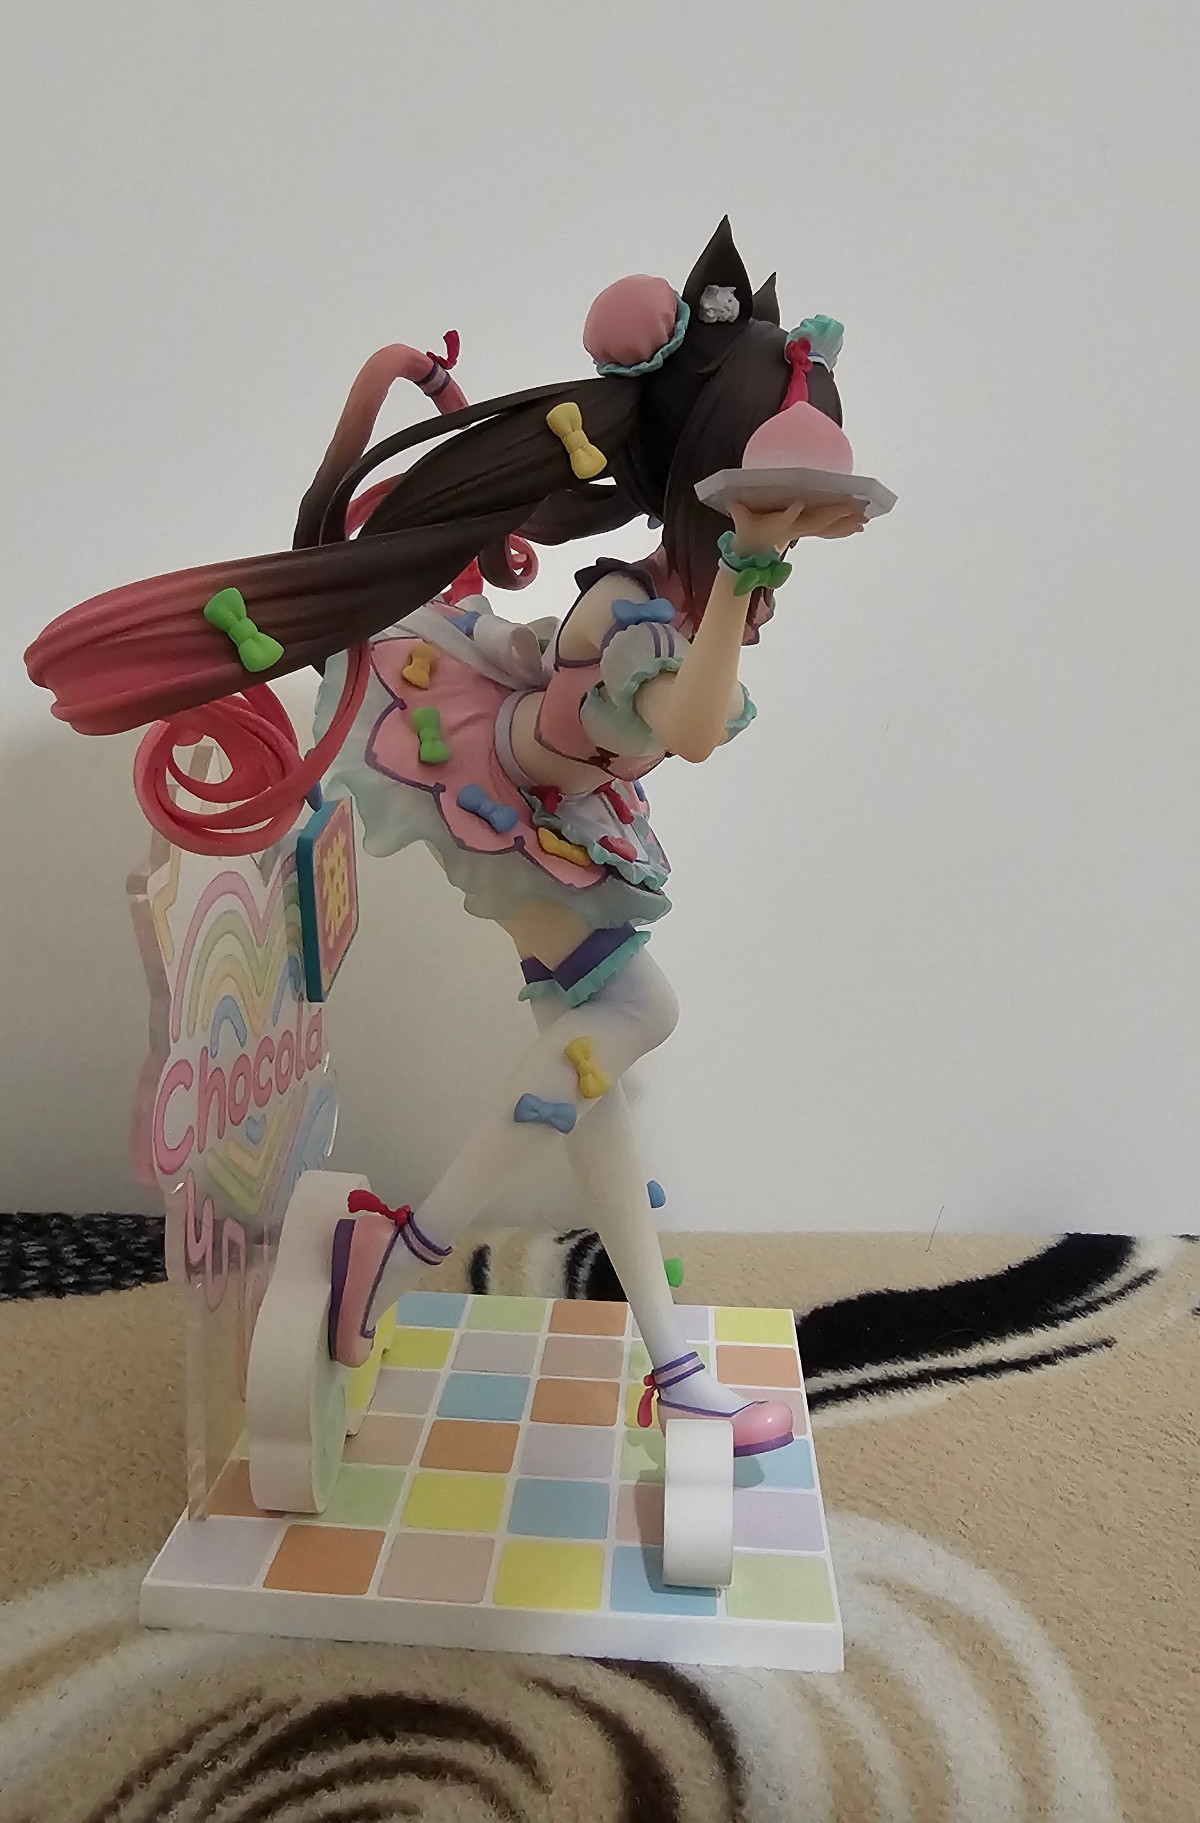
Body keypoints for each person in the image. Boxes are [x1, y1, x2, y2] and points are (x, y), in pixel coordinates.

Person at [25, 219, 867, 1455]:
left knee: (591, 1079)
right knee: (635, 1017)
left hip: (564, 817)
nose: (796, 531)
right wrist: (745, 571)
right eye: (781, 501)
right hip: (503, 798)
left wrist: (744, 572)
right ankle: (408, 1253)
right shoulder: (648, 613)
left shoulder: (683, 599)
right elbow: (690, 730)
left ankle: (675, 1368)